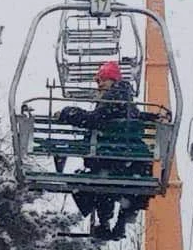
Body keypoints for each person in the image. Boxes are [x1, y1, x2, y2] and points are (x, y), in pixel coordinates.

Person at [55, 61, 164, 240]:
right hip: (132, 165)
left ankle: (105, 221)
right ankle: (119, 222)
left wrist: (67, 112)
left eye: (104, 80)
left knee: (96, 183)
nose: (100, 84)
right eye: (99, 81)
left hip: (110, 160)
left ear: (113, 80)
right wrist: (153, 116)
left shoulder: (112, 99)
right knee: (114, 184)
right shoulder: (124, 98)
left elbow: (93, 120)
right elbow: (134, 115)